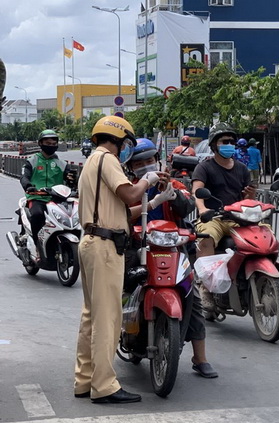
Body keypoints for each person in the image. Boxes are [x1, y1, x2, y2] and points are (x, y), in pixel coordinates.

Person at [74, 116, 167, 404]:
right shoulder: (108, 160)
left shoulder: (92, 162)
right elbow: (128, 195)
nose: (127, 148)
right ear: (117, 139)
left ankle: (85, 379)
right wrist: (147, 181)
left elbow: (120, 212)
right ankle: (104, 386)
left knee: (91, 316)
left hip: (93, 241)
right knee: (108, 318)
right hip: (104, 247)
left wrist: (153, 203)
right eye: (126, 142)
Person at [124, 138, 218, 378]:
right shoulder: (129, 188)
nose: (146, 166)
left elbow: (187, 207)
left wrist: (172, 193)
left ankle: (200, 357)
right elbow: (122, 216)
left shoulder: (174, 184)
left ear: (158, 161)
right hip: (138, 249)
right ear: (132, 167)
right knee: (122, 289)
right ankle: (119, 334)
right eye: (140, 163)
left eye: (149, 161)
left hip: (174, 250)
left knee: (193, 298)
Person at [191, 123, 256, 319]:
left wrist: (251, 196)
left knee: (264, 234)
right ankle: (206, 288)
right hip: (215, 218)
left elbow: (250, 195)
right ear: (214, 145)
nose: (229, 145)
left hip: (238, 217)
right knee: (206, 238)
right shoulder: (204, 167)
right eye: (224, 142)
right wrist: (202, 209)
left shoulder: (243, 169)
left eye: (232, 142)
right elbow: (197, 190)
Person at [19, 129, 76, 250]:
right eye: (48, 143)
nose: (51, 146)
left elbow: (70, 180)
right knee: (37, 215)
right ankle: (36, 244)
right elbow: (24, 176)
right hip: (37, 197)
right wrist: (28, 186)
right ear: (40, 143)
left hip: (57, 198)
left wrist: (72, 180)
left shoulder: (62, 164)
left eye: (53, 144)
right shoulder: (31, 161)